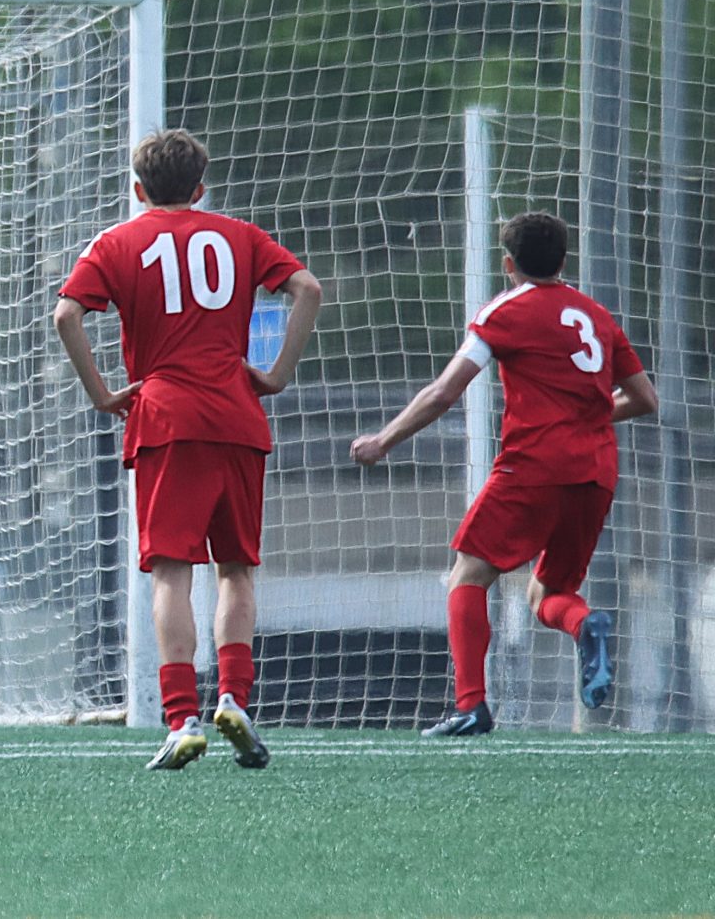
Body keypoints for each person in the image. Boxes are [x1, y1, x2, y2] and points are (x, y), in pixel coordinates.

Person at [54, 128, 323, 770]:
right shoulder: (240, 235)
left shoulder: (117, 241)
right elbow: (308, 289)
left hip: (166, 418)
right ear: (201, 189)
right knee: (236, 569)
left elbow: (67, 314)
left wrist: (101, 394)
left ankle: (181, 718)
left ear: (138, 189)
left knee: (173, 572)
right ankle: (234, 697)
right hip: (236, 414)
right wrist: (278, 372)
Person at [351, 211, 657, 737]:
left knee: (466, 575)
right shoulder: (597, 317)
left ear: (508, 264)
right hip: (595, 472)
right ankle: (585, 624)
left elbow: (446, 391)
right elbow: (645, 398)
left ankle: (470, 704)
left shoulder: (504, 311)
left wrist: (383, 441)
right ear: (564, 260)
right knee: (547, 595)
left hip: (532, 466)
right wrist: (580, 416)